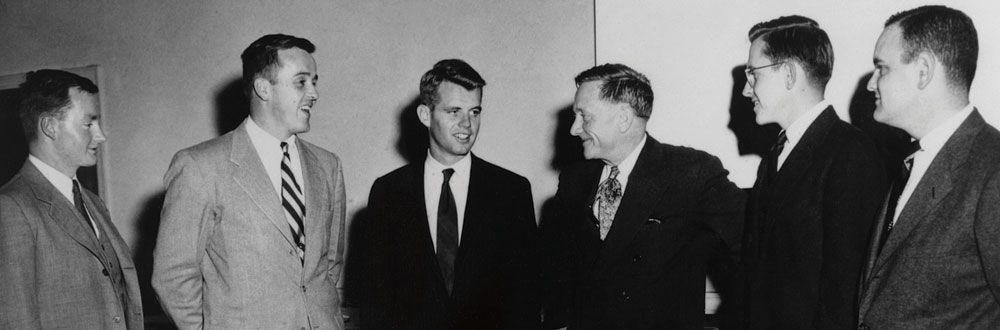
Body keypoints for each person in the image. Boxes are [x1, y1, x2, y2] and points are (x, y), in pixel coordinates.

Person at [152, 34, 346, 329]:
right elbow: (173, 275)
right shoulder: (200, 166)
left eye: (315, 81)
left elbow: (330, 266)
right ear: (263, 88)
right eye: (301, 82)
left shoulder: (328, 165)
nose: (314, 93)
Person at [541, 63, 745, 329]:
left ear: (624, 118)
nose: (574, 128)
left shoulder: (692, 173)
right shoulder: (573, 180)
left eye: (584, 116)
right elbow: (559, 269)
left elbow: (752, 250)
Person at [362, 59, 540, 329]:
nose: (466, 124)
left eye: (475, 112)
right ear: (425, 115)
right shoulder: (388, 192)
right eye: (453, 111)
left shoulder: (511, 191)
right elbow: (377, 298)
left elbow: (526, 296)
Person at [738, 16, 886, 330]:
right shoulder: (776, 154)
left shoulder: (850, 154)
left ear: (789, 74)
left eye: (753, 75)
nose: (745, 91)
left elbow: (844, 295)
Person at [857, 6, 1000, 329]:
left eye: (882, 68)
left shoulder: (993, 169)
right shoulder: (911, 164)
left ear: (923, 70)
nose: (870, 84)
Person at [0, 69, 143, 329]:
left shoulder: (93, 203)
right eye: (89, 123)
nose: (101, 136)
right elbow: (16, 320)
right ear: (49, 127)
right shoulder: (11, 208)